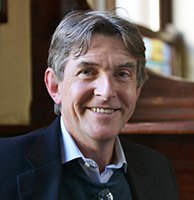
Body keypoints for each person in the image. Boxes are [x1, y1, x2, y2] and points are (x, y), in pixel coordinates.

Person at [0, 10, 179, 200]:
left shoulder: (158, 169)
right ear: (54, 86)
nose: (107, 91)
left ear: (137, 89)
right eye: (87, 71)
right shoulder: (4, 164)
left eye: (122, 74)